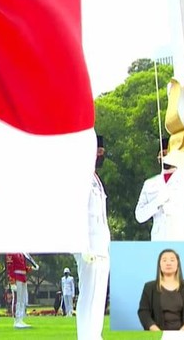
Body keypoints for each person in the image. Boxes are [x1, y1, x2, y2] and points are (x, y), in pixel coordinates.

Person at [74, 135, 111, 339]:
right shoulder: (81, 178)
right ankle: (86, 336)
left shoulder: (95, 179)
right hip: (88, 245)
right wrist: (82, 245)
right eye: (99, 151)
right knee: (88, 297)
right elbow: (76, 213)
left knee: (98, 298)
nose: (100, 155)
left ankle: (94, 335)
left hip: (101, 245)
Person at [135, 138, 184, 240]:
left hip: (180, 236)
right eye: (162, 154)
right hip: (159, 238)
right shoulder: (150, 184)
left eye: (167, 154)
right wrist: (157, 202)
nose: (164, 157)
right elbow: (139, 216)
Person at [138, 249, 184, 331]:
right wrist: (158, 333)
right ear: (159, 264)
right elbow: (144, 313)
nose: (168, 263)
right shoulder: (149, 287)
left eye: (172, 260)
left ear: (178, 264)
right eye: (164, 260)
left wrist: (182, 333)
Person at [5, 253, 37, 329]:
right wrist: (12, 281)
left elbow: (23, 267)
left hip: (23, 277)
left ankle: (21, 319)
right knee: (17, 299)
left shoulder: (21, 253)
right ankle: (16, 320)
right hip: (16, 277)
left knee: (22, 300)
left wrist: (31, 268)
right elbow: (10, 267)